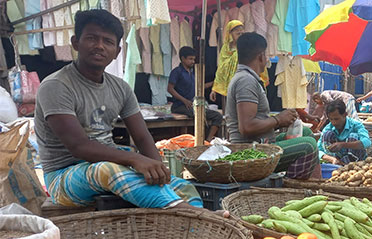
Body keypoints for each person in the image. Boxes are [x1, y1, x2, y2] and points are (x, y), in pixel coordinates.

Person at [34, 9, 202, 209]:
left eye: (108, 41)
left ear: (117, 52)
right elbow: (78, 146)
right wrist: (134, 159)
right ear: (76, 43)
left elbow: (142, 137)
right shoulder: (55, 85)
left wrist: (160, 171)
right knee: (107, 170)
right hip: (63, 177)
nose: (99, 46)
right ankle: (184, 210)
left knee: (182, 185)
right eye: (91, 38)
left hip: (110, 166)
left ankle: (197, 224)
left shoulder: (120, 87)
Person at [225, 32, 320, 179]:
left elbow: (255, 119)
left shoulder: (248, 78)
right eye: (266, 55)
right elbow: (246, 127)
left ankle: (314, 184)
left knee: (306, 134)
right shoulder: (246, 81)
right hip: (252, 152)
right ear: (261, 56)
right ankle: (293, 188)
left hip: (262, 144)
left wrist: (281, 119)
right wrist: (278, 120)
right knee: (308, 146)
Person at [168, 46, 223, 141]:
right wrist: (184, 100)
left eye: (194, 59)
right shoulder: (177, 72)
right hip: (180, 106)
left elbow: (199, 87)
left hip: (192, 105)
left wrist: (215, 83)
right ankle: (201, 139)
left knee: (217, 116)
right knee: (200, 115)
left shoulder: (193, 73)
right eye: (190, 59)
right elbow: (170, 89)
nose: (193, 61)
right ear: (182, 58)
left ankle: (208, 139)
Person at [318, 100, 371, 165]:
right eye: (331, 119)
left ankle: (350, 164)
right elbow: (318, 150)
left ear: (345, 115)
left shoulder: (355, 125)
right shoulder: (328, 128)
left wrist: (343, 144)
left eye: (336, 119)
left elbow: (367, 142)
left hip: (356, 162)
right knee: (327, 135)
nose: (334, 122)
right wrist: (332, 159)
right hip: (336, 162)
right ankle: (336, 164)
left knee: (353, 136)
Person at [210, 20, 244, 102]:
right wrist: (214, 89)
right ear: (230, 34)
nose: (240, 34)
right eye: (237, 32)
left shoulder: (245, 46)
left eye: (242, 32)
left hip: (242, 81)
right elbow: (221, 68)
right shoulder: (226, 48)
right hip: (229, 84)